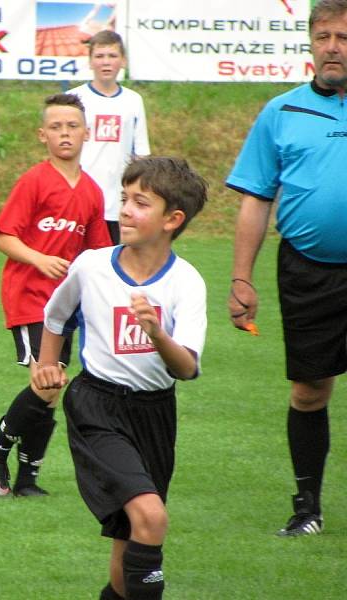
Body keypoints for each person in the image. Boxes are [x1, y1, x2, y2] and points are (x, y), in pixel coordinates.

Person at [33, 157, 208, 600]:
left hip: (154, 413)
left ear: (173, 219)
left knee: (131, 538)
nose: (126, 210)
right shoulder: (91, 266)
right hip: (97, 405)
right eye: (124, 199)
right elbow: (54, 318)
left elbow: (185, 367)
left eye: (140, 203)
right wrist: (46, 368)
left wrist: (156, 333)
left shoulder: (186, 282)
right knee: (151, 516)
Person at [226, 0, 347, 537]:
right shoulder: (282, 111)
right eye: (322, 37)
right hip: (307, 270)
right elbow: (256, 198)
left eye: (342, 36)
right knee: (309, 390)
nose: (332, 46)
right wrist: (240, 277)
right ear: (310, 44)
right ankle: (308, 509)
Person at [0, 93, 111, 498]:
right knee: (47, 381)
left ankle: (28, 480)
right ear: (42, 135)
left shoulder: (91, 191)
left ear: (87, 133)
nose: (65, 133)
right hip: (29, 295)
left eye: (72, 126)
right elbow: (4, 236)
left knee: (50, 391)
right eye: (56, 127)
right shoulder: (35, 180)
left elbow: (98, 251)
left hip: (64, 304)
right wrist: (40, 259)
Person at [67, 30, 151, 244]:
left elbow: (140, 155)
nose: (106, 62)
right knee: (73, 267)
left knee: (112, 268)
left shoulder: (133, 101)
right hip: (79, 200)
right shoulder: (74, 98)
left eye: (112, 56)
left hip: (117, 204)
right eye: (100, 56)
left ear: (123, 61)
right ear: (90, 61)